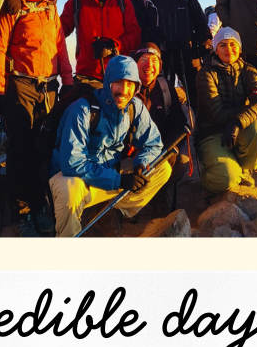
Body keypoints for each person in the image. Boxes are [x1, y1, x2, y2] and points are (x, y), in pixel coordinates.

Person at [0, 0, 72, 233]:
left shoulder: (50, 7)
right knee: (20, 149)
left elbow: (60, 44)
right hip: (20, 86)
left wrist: (67, 80)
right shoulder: (12, 7)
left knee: (43, 147)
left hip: (48, 86)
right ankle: (22, 212)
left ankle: (40, 206)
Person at [49, 54, 174, 237]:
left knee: (162, 168)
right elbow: (72, 164)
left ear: (136, 86)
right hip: (75, 178)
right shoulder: (82, 109)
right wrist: (119, 181)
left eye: (130, 84)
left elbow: (154, 144)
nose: (124, 90)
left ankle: (108, 212)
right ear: (108, 83)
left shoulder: (134, 107)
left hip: (108, 174)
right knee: (70, 190)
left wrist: (141, 165)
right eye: (119, 82)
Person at [194, 26, 257, 197]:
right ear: (215, 49)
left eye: (233, 44)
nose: (228, 49)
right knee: (226, 179)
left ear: (239, 48)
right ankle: (209, 179)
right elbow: (216, 113)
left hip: (238, 129)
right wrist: (246, 112)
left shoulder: (249, 71)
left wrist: (238, 122)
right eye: (222, 45)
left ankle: (244, 169)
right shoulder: (206, 74)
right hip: (212, 134)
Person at [131, 0, 210, 109]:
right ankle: (168, 131)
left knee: (197, 94)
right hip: (161, 55)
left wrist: (204, 42)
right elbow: (141, 25)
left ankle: (201, 131)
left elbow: (198, 17)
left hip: (187, 52)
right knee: (162, 95)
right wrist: (158, 43)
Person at [59, 0, 141, 82]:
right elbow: (58, 31)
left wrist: (114, 46)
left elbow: (135, 35)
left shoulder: (123, 2)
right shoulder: (76, 2)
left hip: (118, 73)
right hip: (86, 75)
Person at [134, 41, 192, 181]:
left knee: (182, 159)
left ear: (160, 66)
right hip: (134, 151)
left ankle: (160, 194)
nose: (149, 65)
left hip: (161, 146)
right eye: (143, 60)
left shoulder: (165, 88)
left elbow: (179, 124)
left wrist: (169, 150)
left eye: (154, 60)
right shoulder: (127, 90)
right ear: (134, 64)